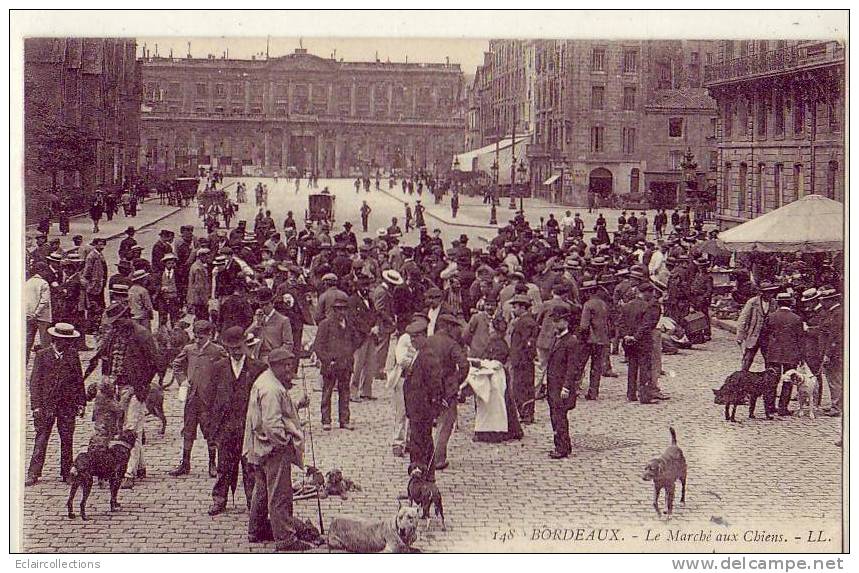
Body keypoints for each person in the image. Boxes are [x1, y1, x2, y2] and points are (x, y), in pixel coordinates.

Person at [243, 346, 312, 552]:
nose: (290, 369)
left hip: (259, 447)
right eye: (287, 365)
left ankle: (255, 531)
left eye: (291, 364)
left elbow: (276, 414)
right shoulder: (272, 389)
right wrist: (284, 444)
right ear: (276, 365)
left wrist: (297, 406)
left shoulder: (266, 380)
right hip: (272, 449)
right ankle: (286, 539)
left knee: (262, 490)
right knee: (280, 494)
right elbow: (273, 424)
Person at [207, 326, 267, 516]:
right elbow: (211, 397)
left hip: (249, 425)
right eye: (231, 348)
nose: (236, 351)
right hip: (227, 426)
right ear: (226, 347)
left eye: (239, 347)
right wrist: (213, 427)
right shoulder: (218, 367)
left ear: (245, 344)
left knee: (250, 467)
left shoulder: (258, 367)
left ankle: (253, 501)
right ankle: (219, 499)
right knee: (224, 465)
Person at [24, 323, 86, 486]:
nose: (68, 343)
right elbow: (35, 383)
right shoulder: (42, 356)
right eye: (65, 340)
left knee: (67, 439)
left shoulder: (72, 355)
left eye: (70, 340)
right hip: (46, 406)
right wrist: (36, 406)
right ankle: (33, 473)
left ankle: (66, 472)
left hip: (67, 406)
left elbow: (78, 380)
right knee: (41, 438)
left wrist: (81, 402)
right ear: (56, 340)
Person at [169, 320, 226, 478]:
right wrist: (182, 381)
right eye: (195, 336)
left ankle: (212, 464)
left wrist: (220, 388)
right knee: (188, 431)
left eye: (201, 337)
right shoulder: (189, 349)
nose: (197, 340)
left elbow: (226, 369)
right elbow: (176, 365)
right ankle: (185, 463)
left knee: (210, 432)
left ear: (209, 335)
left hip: (209, 399)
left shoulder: (217, 350)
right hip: (191, 398)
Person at [426, 313, 469, 472]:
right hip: (446, 389)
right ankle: (438, 458)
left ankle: (422, 457)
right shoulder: (452, 344)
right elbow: (464, 364)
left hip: (429, 387)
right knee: (445, 423)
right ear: (448, 326)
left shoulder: (428, 341)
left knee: (425, 421)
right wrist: (457, 380)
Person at [403, 319, 443, 472]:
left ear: (424, 337)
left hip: (422, 409)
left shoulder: (427, 356)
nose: (412, 341)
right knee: (422, 442)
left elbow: (435, 384)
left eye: (416, 337)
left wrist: (432, 406)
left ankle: (423, 479)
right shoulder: (420, 353)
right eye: (411, 338)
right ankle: (425, 477)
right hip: (417, 408)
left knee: (419, 444)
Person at [312, 296, 356, 430]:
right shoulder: (325, 324)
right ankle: (326, 420)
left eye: (344, 309)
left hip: (345, 363)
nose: (341, 312)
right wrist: (327, 360)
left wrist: (350, 354)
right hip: (331, 364)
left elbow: (355, 340)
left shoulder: (349, 324)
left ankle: (344, 420)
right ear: (333, 310)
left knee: (345, 392)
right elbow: (318, 346)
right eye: (338, 310)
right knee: (327, 392)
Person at [544, 308, 580, 459]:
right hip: (553, 385)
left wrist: (566, 387)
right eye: (554, 321)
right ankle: (563, 445)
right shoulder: (557, 339)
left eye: (558, 321)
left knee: (559, 417)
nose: (555, 324)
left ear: (566, 322)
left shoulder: (571, 341)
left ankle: (562, 448)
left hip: (561, 387)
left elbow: (572, 367)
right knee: (555, 416)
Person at [761, 292, 804, 416]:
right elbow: (800, 339)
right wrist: (800, 356)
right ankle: (783, 408)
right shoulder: (796, 318)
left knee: (771, 381)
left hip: (773, 353)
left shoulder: (771, 317)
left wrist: (766, 352)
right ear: (790, 303)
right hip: (791, 354)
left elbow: (763, 337)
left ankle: (769, 407)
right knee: (788, 381)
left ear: (778, 303)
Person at [620, 282, 661, 404]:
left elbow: (620, 322)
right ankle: (644, 396)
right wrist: (636, 337)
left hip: (629, 342)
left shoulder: (627, 306)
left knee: (632, 367)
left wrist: (626, 336)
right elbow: (646, 325)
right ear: (647, 293)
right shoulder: (647, 307)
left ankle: (631, 394)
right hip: (643, 341)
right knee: (644, 368)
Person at [736, 281, 780, 371]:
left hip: (767, 336)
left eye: (772, 292)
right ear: (762, 293)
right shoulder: (752, 302)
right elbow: (743, 318)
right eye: (768, 292)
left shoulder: (774, 303)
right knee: (748, 358)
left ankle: (768, 379)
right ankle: (743, 376)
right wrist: (740, 335)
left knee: (769, 359)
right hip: (753, 335)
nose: (770, 294)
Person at [508, 294, 538, 424]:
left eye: (515, 307)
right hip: (522, 359)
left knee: (522, 387)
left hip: (522, 360)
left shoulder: (525, 322)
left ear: (522, 307)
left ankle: (526, 414)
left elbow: (527, 343)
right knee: (523, 386)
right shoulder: (525, 320)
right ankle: (526, 413)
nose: (513, 310)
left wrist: (522, 357)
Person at [25, 262, 53, 362]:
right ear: (41, 271)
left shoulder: (28, 283)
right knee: (45, 343)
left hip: (29, 316)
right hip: (42, 317)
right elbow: (44, 301)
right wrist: (36, 313)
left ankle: (25, 362)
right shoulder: (44, 283)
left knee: (27, 342)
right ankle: (45, 366)